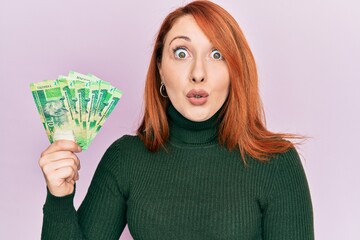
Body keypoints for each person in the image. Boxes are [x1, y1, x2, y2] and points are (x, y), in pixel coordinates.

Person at [39, 1, 314, 239]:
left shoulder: (277, 164)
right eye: (181, 53)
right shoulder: (125, 159)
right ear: (160, 68)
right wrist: (59, 198)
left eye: (216, 55)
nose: (198, 73)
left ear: (235, 70)